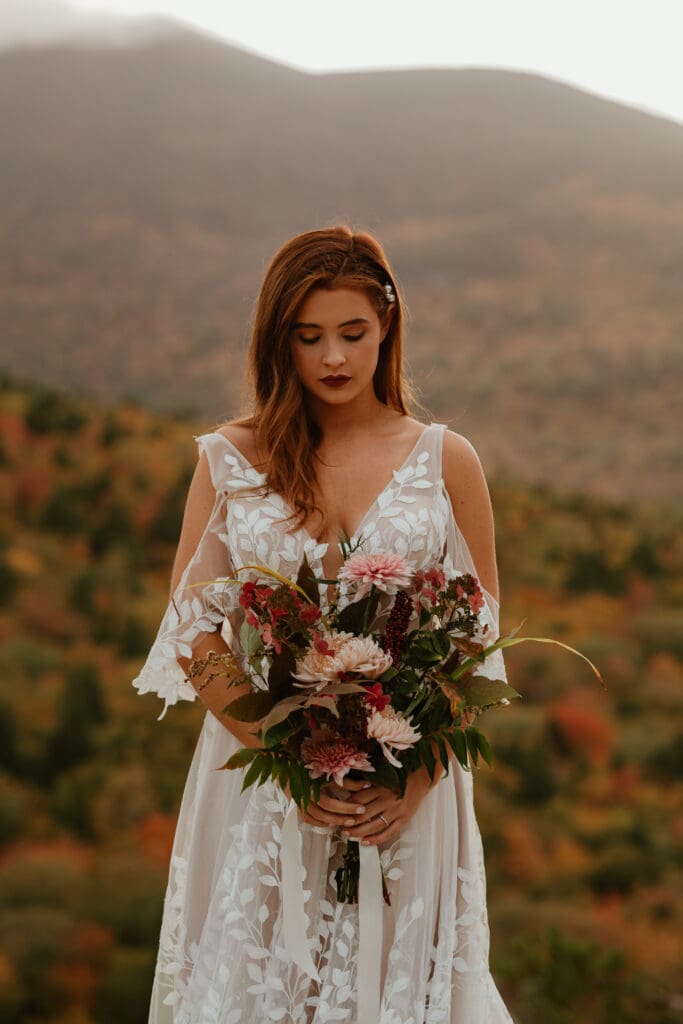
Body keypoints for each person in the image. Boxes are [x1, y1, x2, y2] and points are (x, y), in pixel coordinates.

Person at [133, 225, 515, 1023]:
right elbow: (193, 630)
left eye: (353, 334)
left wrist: (411, 781)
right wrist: (285, 754)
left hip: (405, 792)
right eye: (309, 338)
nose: (333, 359)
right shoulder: (229, 460)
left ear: (387, 329)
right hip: (265, 786)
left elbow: (479, 641)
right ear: (279, 342)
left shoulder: (446, 460)